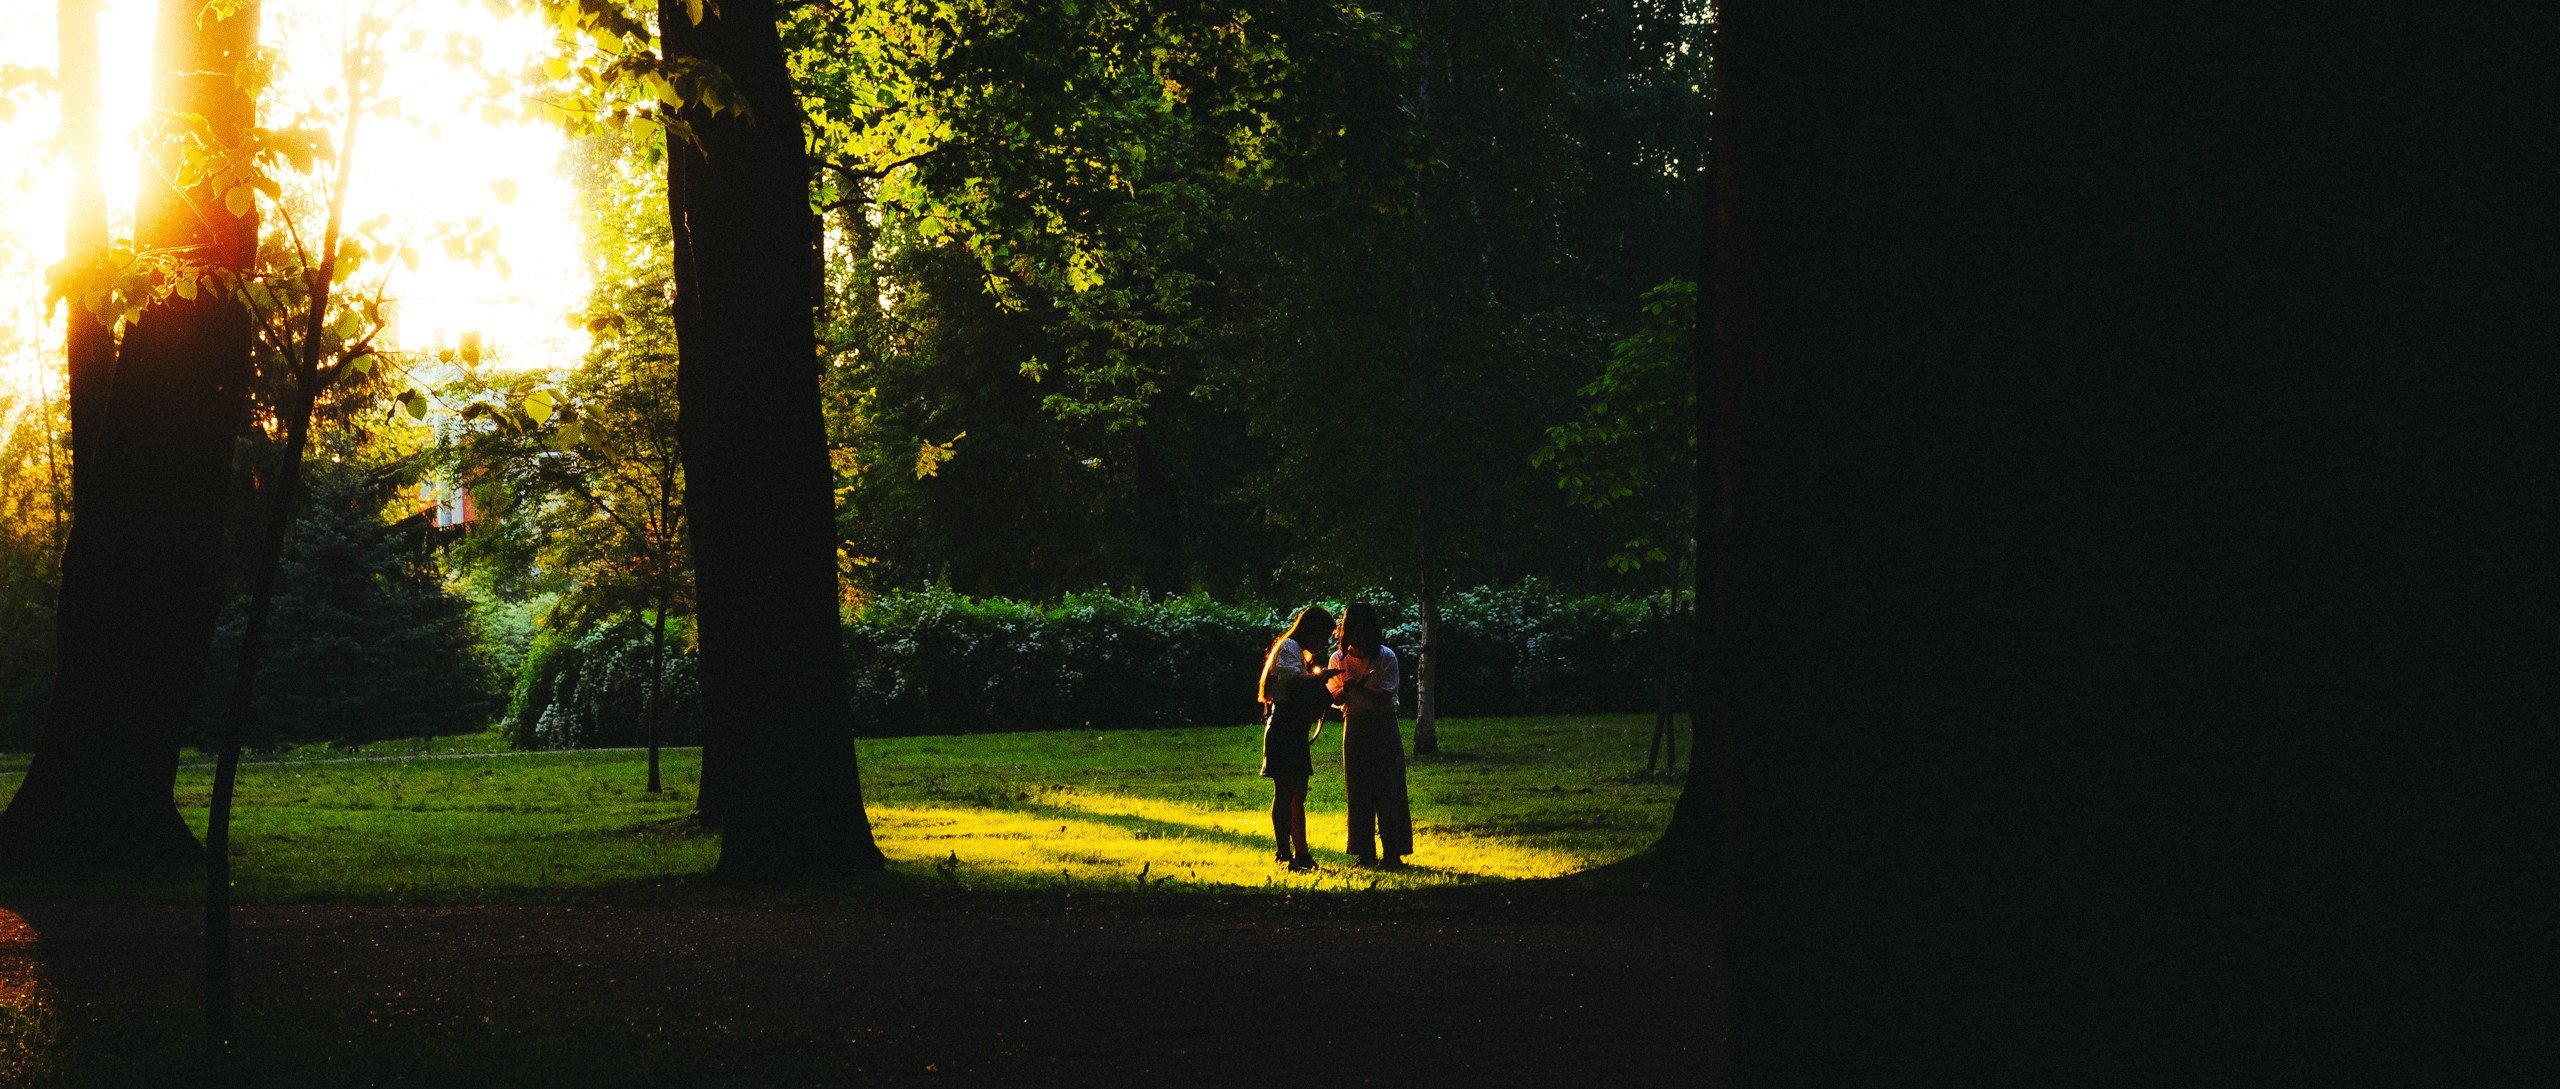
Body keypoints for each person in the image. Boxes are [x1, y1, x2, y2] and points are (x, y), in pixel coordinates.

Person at [1328, 601, 1412, 866]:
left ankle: (1393, 852)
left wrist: (1358, 688)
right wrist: (1348, 689)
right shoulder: (1338, 659)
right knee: (1358, 789)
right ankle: (1364, 852)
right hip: (1353, 723)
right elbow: (1335, 698)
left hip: (1384, 723)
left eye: (1364, 631)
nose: (1359, 638)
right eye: (1354, 631)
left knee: (1390, 788)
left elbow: (1386, 696)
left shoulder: (1386, 657)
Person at [1258, 605, 1336, 872]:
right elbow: (1292, 680)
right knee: (1286, 792)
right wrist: (1320, 678)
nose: (1324, 644)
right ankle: (1284, 853)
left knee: (1295, 792)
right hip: (1286, 727)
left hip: (1290, 727)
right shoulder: (1290, 647)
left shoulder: (1293, 649)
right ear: (1311, 631)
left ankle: (1299, 853)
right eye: (1323, 637)